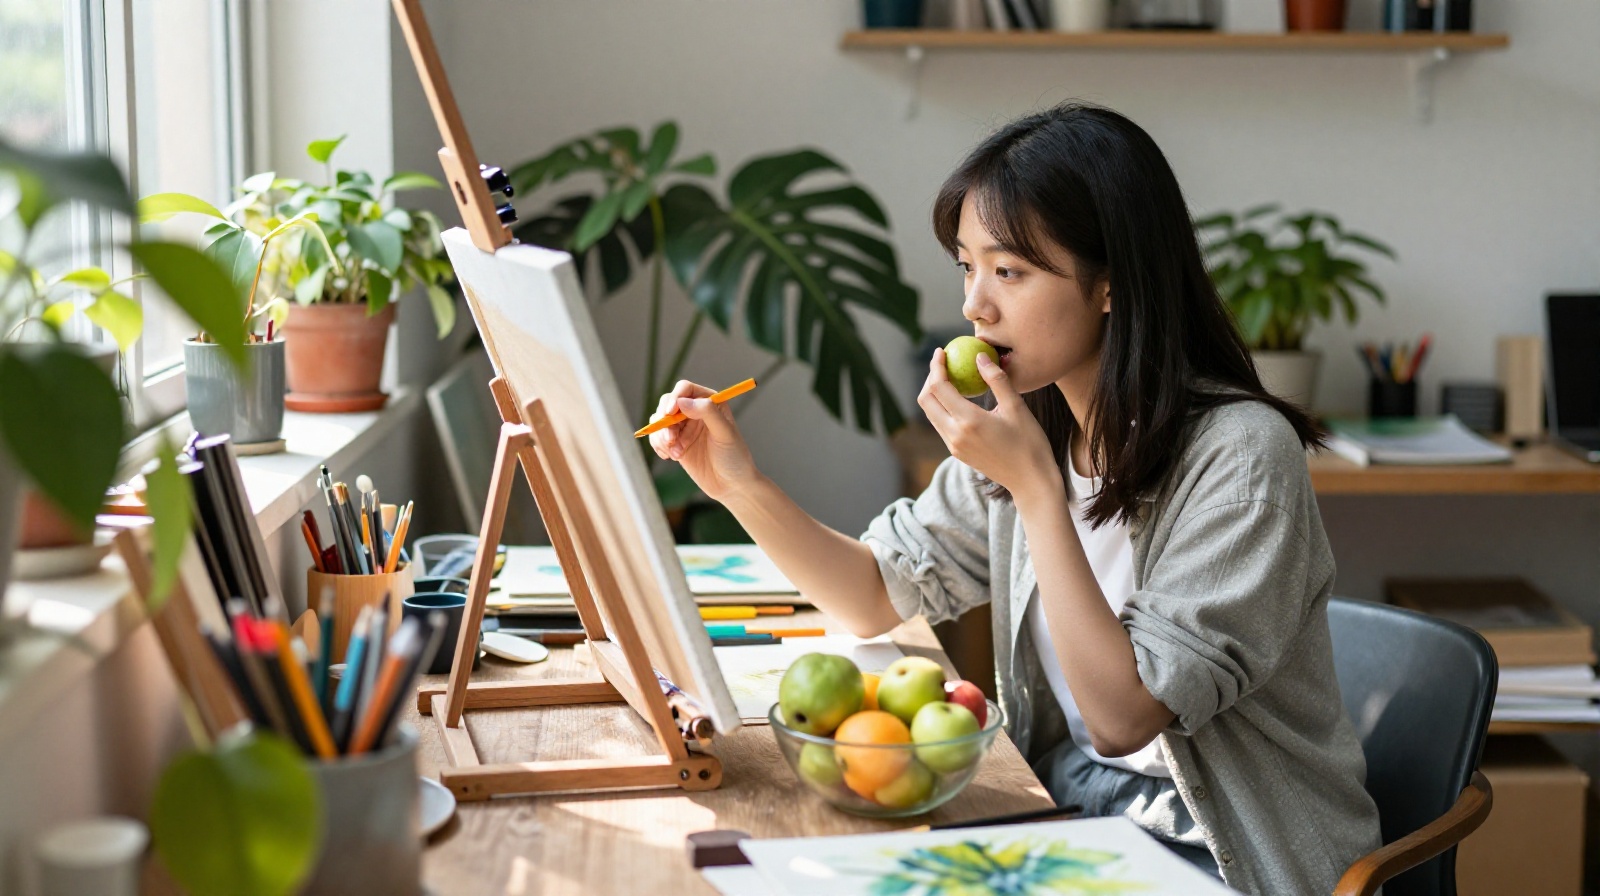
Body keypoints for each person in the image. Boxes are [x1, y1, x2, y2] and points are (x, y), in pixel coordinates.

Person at [647, 102, 1381, 895]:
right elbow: (871, 595)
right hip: (1076, 804)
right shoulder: (1035, 422)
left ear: (1111, 285)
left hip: (1226, 847)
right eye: (967, 266)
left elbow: (1124, 717)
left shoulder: (1240, 457)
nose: (975, 306)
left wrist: (1036, 489)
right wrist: (736, 484)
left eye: (1011, 271)